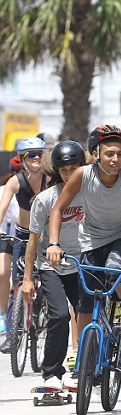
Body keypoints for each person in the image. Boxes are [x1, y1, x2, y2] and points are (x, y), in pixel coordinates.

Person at [46, 125, 121, 350]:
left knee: (113, 269)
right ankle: (81, 359)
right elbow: (57, 210)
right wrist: (53, 244)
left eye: (119, 154)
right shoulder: (82, 175)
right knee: (85, 302)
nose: (115, 159)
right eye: (109, 154)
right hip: (91, 240)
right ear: (96, 154)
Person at [21, 141, 87, 390]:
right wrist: (28, 279)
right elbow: (33, 241)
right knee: (59, 315)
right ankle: (52, 373)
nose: (69, 175)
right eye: (64, 170)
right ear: (56, 172)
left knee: (88, 315)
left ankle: (86, 366)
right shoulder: (45, 200)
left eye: (74, 168)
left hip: (82, 265)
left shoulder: (92, 193)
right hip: (52, 268)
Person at [0, 136, 47, 354]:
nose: (37, 158)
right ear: (23, 159)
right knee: (17, 284)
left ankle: (41, 313)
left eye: (40, 153)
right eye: (31, 154)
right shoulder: (16, 181)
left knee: (47, 280)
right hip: (23, 235)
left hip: (47, 236)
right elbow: (2, 206)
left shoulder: (52, 178)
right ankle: (11, 336)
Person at [0, 156, 21, 335]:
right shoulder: (3, 191)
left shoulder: (35, 190)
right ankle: (3, 313)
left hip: (26, 238)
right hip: (7, 238)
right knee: (3, 272)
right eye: (16, 172)